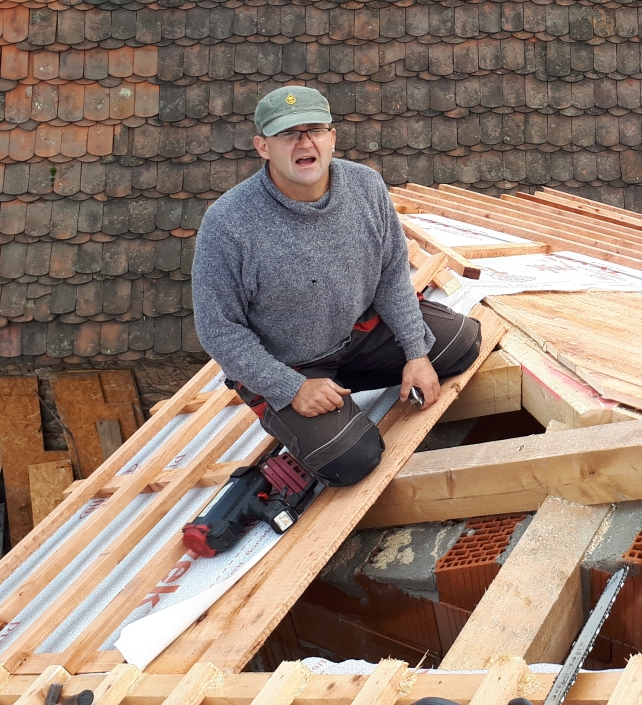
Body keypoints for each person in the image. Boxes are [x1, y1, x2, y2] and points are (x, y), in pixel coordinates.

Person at [192, 85, 481, 487]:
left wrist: (416, 354)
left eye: (314, 130)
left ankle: (350, 388)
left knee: (463, 344)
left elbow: (392, 274)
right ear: (263, 146)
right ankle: (310, 412)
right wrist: (290, 388)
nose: (303, 142)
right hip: (291, 363)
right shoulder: (228, 224)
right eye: (288, 134)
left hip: (358, 336)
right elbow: (219, 329)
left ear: (332, 137)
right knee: (353, 459)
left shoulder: (366, 186)